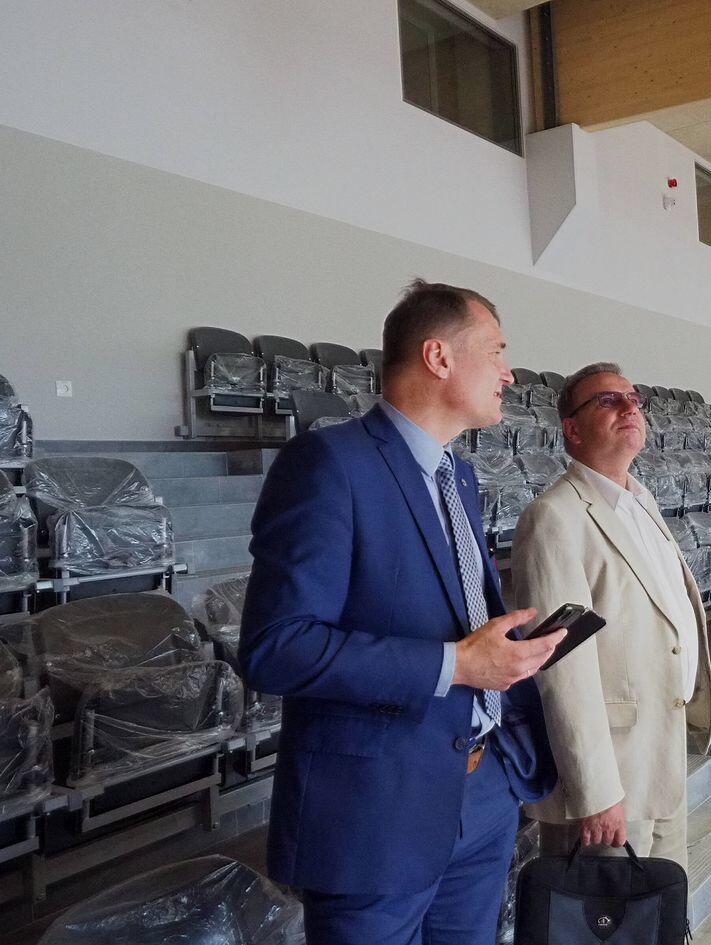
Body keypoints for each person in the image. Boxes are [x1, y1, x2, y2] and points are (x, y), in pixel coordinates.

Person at [239, 279, 563, 945]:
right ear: (439, 357)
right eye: (497, 352)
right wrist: (456, 665)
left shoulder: (459, 476)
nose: (509, 373)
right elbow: (277, 646)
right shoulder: (328, 464)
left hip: (483, 790)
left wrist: (504, 655)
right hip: (375, 817)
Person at [510, 362, 711, 869]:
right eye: (607, 401)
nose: (629, 407)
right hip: (611, 780)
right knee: (607, 911)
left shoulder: (641, 502)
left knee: (663, 904)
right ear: (573, 429)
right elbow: (562, 667)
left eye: (633, 398)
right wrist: (596, 790)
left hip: (658, 754)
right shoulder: (554, 517)